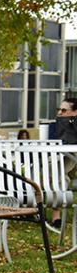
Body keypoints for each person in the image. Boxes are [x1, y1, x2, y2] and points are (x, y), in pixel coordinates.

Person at [52, 97, 77, 227]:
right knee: (60, 174)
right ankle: (56, 216)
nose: (60, 113)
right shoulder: (58, 125)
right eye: (59, 110)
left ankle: (56, 215)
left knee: (59, 172)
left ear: (75, 112)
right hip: (66, 157)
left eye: (64, 110)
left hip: (71, 157)